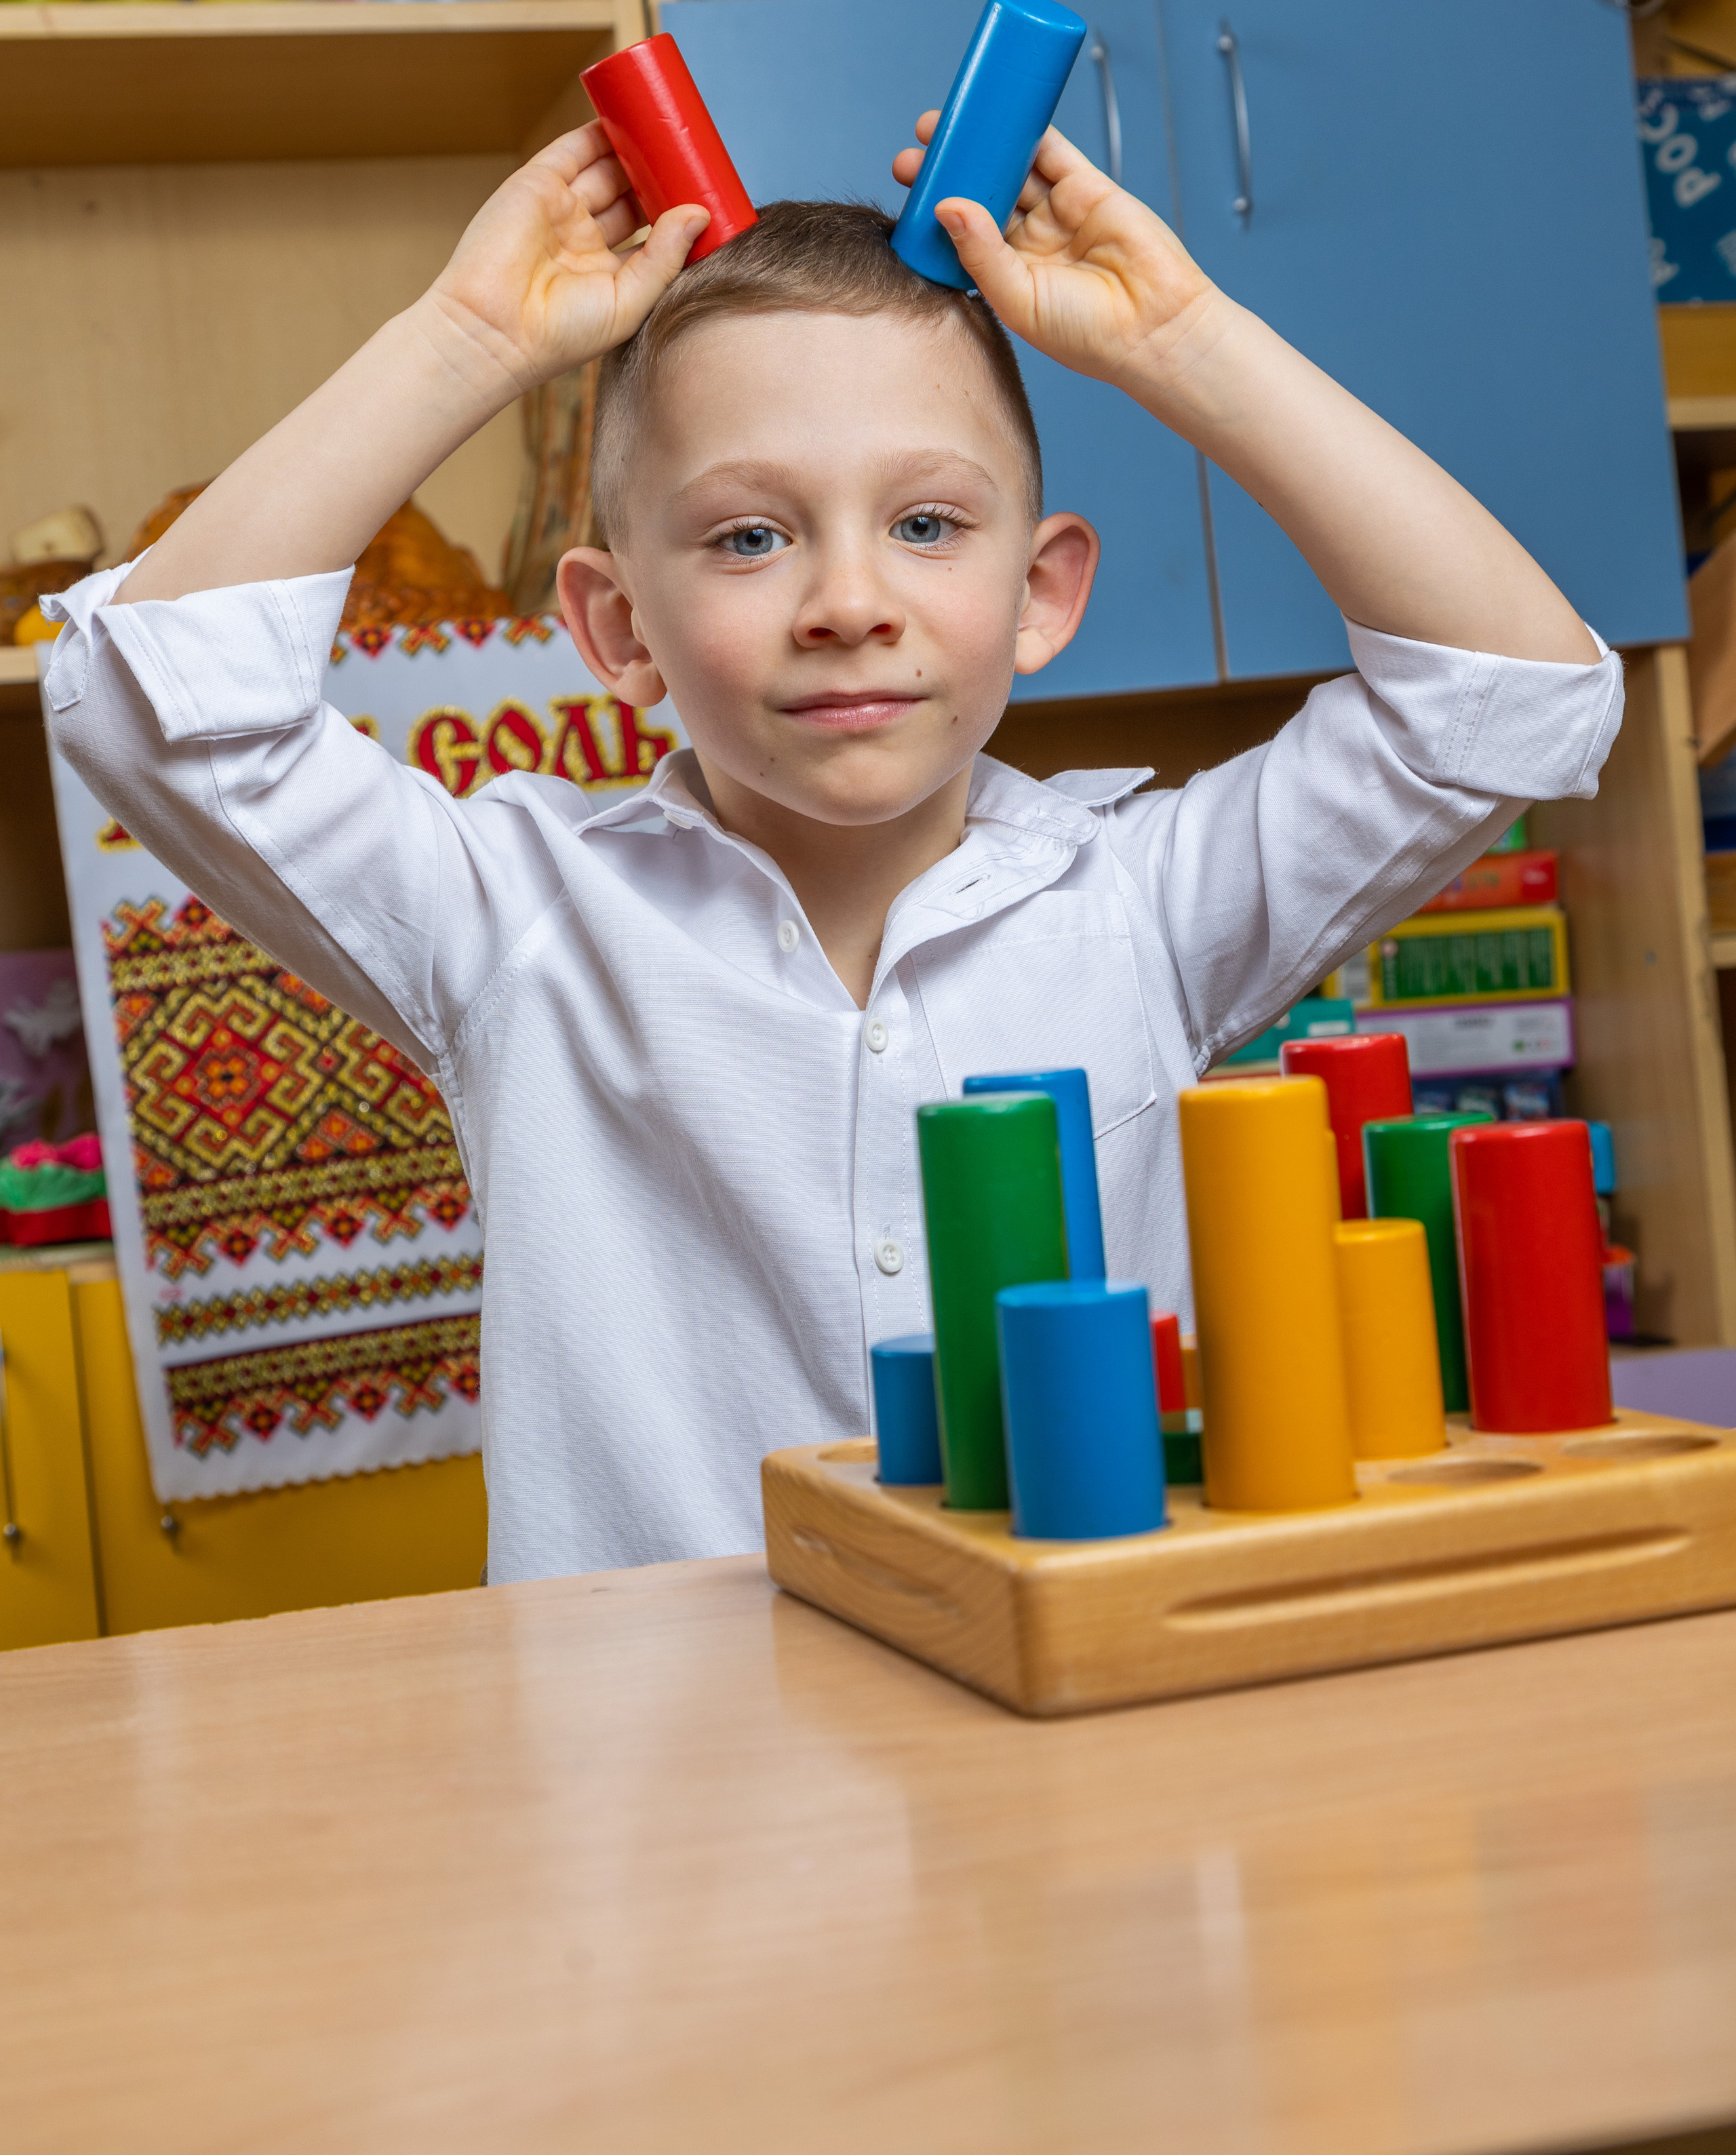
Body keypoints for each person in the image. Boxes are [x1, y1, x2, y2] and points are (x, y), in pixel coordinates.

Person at [43, 116, 1619, 1581]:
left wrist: (1176, 343)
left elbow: (1512, 703)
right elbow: (145, 700)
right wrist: (467, 339)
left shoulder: (1140, 902)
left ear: (1040, 592)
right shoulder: (515, 917)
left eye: (926, 524)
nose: (846, 598)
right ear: (616, 626)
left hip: (1078, 1774)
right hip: (663, 1811)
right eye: (748, 533)